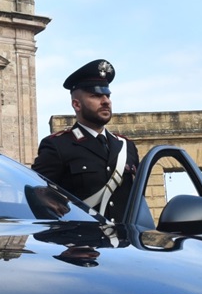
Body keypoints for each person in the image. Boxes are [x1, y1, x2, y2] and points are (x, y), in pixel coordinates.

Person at [31, 59, 139, 223]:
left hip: (123, 245)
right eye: (96, 96)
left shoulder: (126, 146)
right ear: (76, 104)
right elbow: (37, 200)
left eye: (107, 95)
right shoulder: (57, 146)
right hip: (81, 245)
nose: (106, 101)